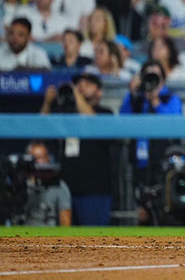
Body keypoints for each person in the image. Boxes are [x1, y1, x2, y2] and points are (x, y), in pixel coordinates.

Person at [53, 72, 116, 226]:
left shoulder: (105, 113)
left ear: (99, 92)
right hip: (67, 188)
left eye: (87, 85)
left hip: (95, 190)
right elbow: (41, 129)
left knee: (94, 240)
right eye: (78, 85)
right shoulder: (67, 114)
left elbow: (92, 122)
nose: (81, 88)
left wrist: (76, 95)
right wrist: (49, 103)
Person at [21, 141, 72, 227]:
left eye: (40, 157)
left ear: (48, 158)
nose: (37, 161)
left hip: (49, 235)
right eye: (33, 158)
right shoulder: (19, 185)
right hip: (21, 236)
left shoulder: (59, 185)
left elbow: (65, 220)